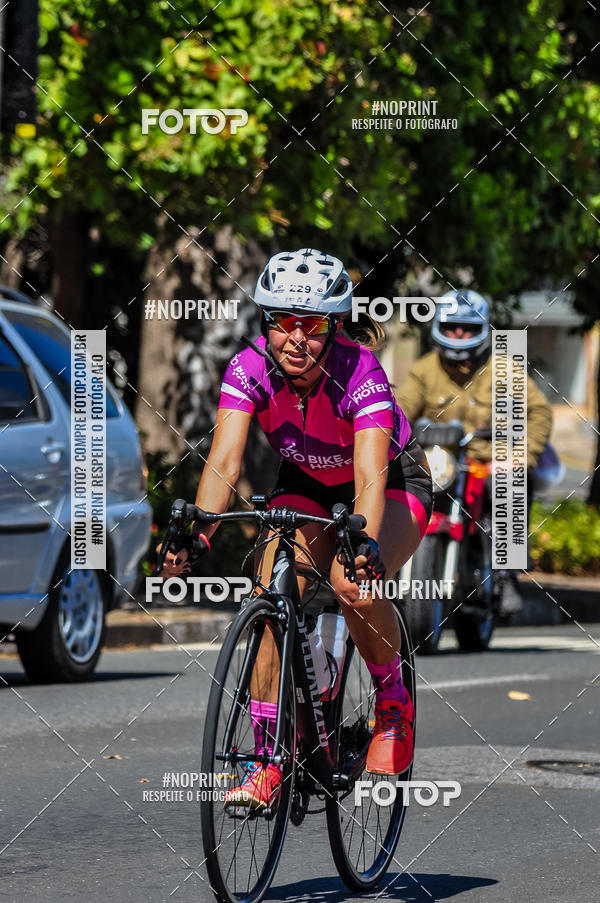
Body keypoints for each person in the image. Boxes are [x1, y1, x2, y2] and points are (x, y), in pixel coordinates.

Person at [161, 248, 432, 810]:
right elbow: (225, 461)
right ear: (268, 323)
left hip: (391, 481)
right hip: (305, 480)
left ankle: (392, 705)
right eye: (283, 321)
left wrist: (363, 544)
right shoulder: (248, 367)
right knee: (268, 592)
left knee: (355, 586)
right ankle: (267, 762)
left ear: (332, 327)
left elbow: (368, 474)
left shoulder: (362, 374)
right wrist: (201, 532)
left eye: (309, 324)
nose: (295, 337)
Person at [395, 289, 553, 612]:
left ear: (481, 329)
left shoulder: (504, 369)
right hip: (440, 462)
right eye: (452, 326)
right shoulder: (424, 369)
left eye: (467, 328)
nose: (458, 334)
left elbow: (539, 413)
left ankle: (506, 572)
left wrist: (519, 457)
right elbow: (400, 410)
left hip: (489, 464)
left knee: (507, 487)